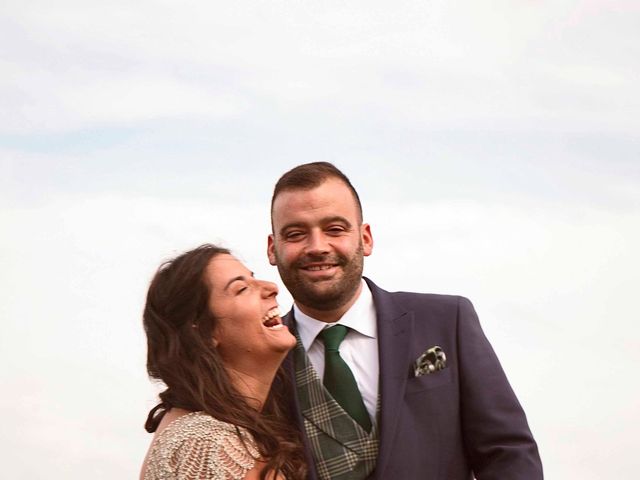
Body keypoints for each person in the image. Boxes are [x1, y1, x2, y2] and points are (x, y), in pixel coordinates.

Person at [267, 162, 543, 479]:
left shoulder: (447, 321)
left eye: (335, 229)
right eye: (296, 234)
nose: (317, 247)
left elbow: (508, 454)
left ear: (365, 238)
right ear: (273, 249)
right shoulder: (259, 361)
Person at [140, 244, 307, 480]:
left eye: (253, 278)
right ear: (203, 333)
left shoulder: (207, 429)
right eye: (242, 289)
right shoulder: (206, 445)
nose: (272, 288)